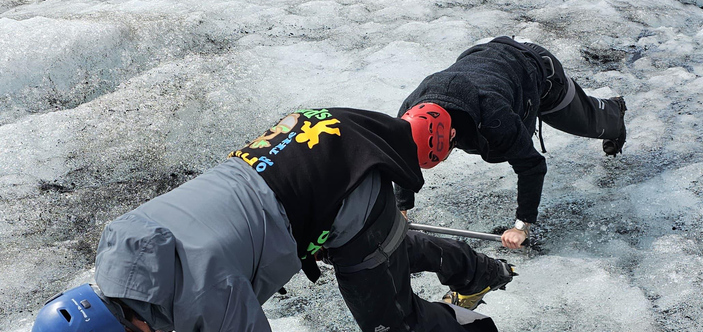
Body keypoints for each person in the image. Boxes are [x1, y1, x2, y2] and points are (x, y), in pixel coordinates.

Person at [31, 107, 514, 332]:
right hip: (298, 147)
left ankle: (473, 324)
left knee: (391, 321)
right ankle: (478, 269)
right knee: (380, 247)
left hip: (340, 184)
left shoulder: (204, 295)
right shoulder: (120, 246)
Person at [396, 36, 626, 263]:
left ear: (452, 134)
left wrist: (521, 226)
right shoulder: (410, 115)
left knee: (586, 122)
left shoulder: (494, 116)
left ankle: (616, 109)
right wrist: (401, 208)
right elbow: (402, 159)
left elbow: (531, 165)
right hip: (486, 63)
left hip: (536, 69)